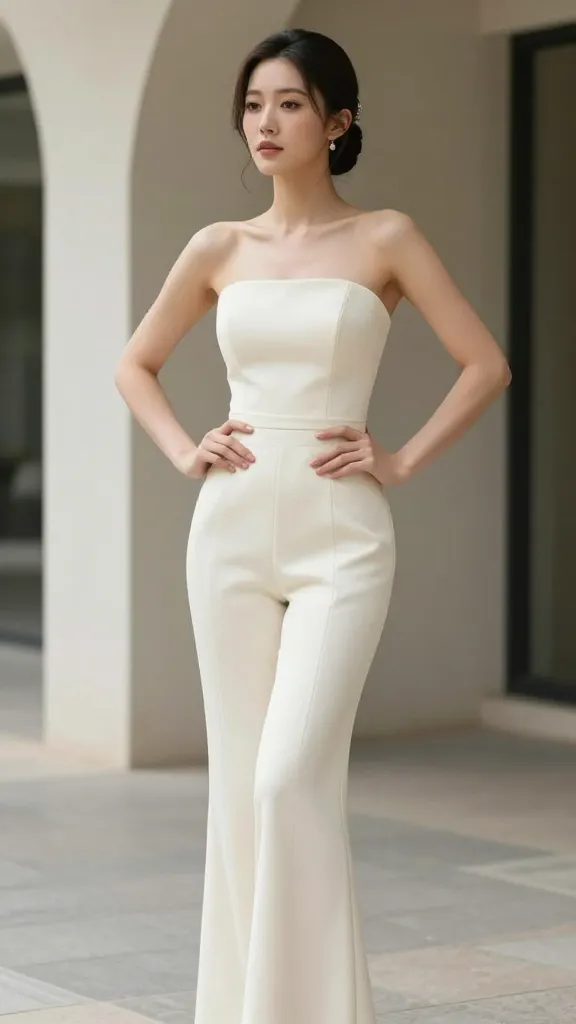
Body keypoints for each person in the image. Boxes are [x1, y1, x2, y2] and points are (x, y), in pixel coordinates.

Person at [114, 26, 511, 1024]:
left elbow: (487, 363)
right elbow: (136, 364)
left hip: (344, 534)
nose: (265, 122)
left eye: (289, 103)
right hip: (231, 531)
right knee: (241, 788)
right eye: (254, 104)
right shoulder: (218, 246)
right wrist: (181, 450)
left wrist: (402, 458)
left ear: (339, 122)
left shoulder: (386, 238)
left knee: (292, 779)